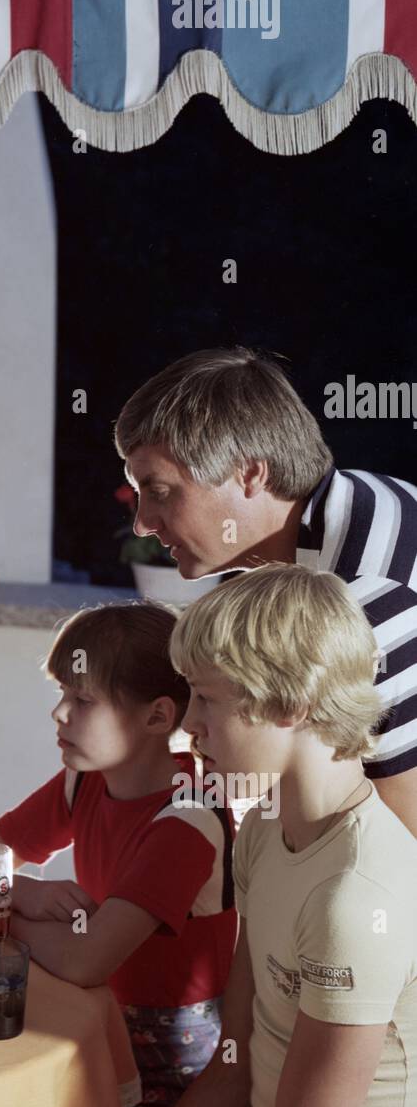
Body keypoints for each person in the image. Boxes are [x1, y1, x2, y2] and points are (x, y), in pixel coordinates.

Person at [130, 563, 417, 1107]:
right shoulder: (262, 827)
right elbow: (232, 1067)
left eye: (206, 697)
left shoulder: (355, 895)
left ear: (292, 702)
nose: (188, 727)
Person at [0, 602, 237, 1107]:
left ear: (157, 716)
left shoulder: (187, 819)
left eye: (83, 701)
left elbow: (85, 958)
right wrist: (18, 889)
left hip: (170, 1066)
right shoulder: (85, 781)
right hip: (91, 1023)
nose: (58, 714)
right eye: (61, 694)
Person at [114, 346, 417, 837]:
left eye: (161, 491)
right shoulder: (319, 525)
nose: (143, 523)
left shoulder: (366, 595)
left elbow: (404, 835)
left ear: (250, 473)